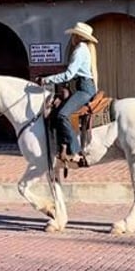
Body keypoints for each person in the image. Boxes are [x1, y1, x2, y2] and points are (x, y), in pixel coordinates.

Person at [39, 22, 99, 165]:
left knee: (62, 115)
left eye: (73, 34)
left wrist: (46, 80)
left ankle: (76, 151)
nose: (72, 37)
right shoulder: (84, 49)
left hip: (84, 89)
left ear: (77, 36)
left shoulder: (79, 50)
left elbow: (68, 75)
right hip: (82, 86)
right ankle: (61, 148)